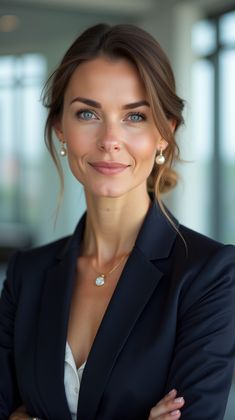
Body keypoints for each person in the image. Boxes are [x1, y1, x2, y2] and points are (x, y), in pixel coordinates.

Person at [0, 23, 235, 420]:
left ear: (165, 132)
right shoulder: (27, 275)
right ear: (61, 129)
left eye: (135, 117)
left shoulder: (208, 275)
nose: (110, 138)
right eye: (88, 113)